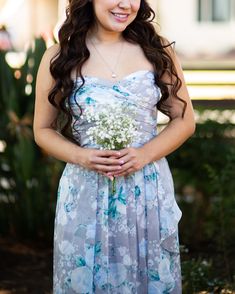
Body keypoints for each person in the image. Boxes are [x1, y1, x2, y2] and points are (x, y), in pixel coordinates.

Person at [33, 0, 195, 293]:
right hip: (85, 191)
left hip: (146, 190)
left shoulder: (157, 50)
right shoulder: (59, 56)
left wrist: (144, 154)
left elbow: (184, 120)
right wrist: (82, 156)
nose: (126, 4)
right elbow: (42, 130)